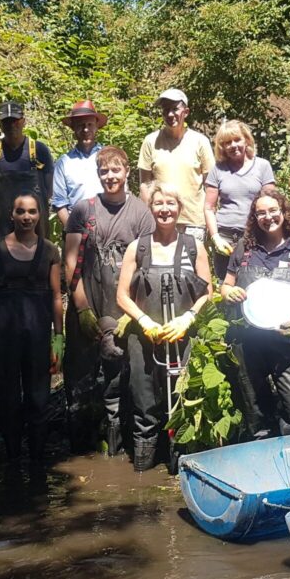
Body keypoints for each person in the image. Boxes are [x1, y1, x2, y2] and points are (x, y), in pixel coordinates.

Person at [65, 147, 156, 454]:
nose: (110, 177)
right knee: (83, 379)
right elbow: (70, 261)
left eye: (116, 170)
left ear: (127, 171)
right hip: (88, 302)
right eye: (104, 171)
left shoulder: (142, 213)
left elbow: (148, 267)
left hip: (126, 308)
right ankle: (84, 448)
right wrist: (82, 309)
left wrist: (135, 313)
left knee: (125, 378)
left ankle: (123, 447)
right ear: (98, 174)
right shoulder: (83, 210)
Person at [115, 184, 212, 471]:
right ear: (151, 208)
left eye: (171, 203)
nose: (165, 209)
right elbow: (122, 295)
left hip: (183, 338)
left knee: (182, 402)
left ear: (179, 208)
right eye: (159, 204)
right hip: (144, 340)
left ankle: (178, 467)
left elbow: (207, 291)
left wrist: (188, 318)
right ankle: (143, 471)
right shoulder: (138, 247)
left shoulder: (194, 247)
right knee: (145, 405)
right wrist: (144, 321)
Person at [219, 189, 290, 439]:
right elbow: (225, 286)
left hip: (287, 342)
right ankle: (263, 462)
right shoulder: (243, 248)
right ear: (255, 217)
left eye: (273, 210)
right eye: (261, 213)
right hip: (247, 342)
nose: (268, 217)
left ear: (284, 213)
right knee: (255, 412)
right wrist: (229, 292)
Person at [0, 192, 64, 468]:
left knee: (39, 397)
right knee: (6, 398)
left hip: (38, 335)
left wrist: (59, 337)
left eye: (32, 212)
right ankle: (13, 457)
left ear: (40, 215)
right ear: (11, 215)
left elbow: (55, 296)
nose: (26, 217)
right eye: (20, 212)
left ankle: (38, 460)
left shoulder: (50, 250)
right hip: (4, 334)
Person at [138, 88, 215, 237]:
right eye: (166, 110)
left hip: (193, 222)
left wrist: (210, 216)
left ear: (186, 112)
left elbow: (210, 185)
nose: (170, 114)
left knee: (191, 261)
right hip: (161, 220)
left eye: (175, 109)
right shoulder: (150, 141)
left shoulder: (200, 142)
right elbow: (144, 184)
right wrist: (150, 216)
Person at [204, 119, 276, 278]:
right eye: (227, 142)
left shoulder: (262, 166)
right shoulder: (217, 170)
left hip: (255, 235)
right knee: (225, 284)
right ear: (222, 146)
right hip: (226, 237)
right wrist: (215, 237)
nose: (233, 145)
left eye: (237, 140)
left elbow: (272, 204)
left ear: (247, 140)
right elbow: (209, 207)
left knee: (255, 281)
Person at [0, 100, 54, 242]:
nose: (11, 125)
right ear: (0, 124)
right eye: (6, 121)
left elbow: (48, 191)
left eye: (15, 120)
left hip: (35, 230)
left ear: (23, 121)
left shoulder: (39, 150)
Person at [52, 100, 107, 229]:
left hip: (109, 228)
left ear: (96, 126)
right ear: (73, 128)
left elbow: (122, 194)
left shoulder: (109, 156)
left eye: (90, 124)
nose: (86, 129)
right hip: (77, 228)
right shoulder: (64, 163)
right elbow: (60, 203)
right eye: (81, 125)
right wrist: (73, 232)